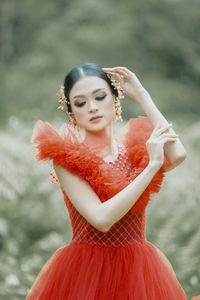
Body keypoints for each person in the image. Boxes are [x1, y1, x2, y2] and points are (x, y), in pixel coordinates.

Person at [26, 63, 199, 299]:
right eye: (80, 103)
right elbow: (102, 219)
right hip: (86, 273)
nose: (92, 108)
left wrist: (141, 94)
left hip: (139, 271)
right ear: (71, 112)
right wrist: (150, 168)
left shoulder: (133, 149)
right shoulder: (67, 160)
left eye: (99, 97)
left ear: (115, 99)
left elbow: (177, 152)